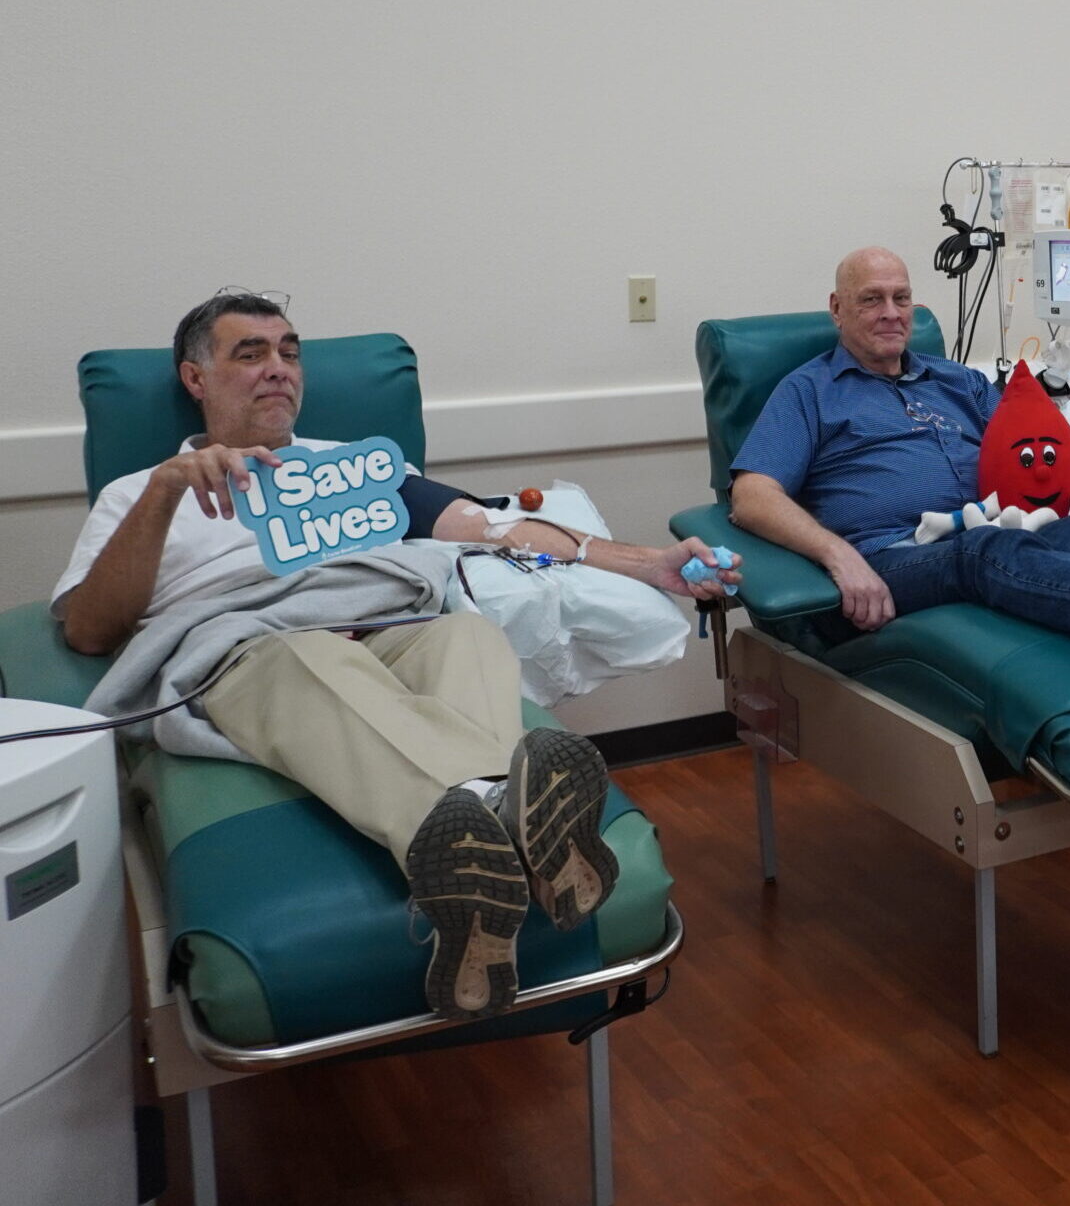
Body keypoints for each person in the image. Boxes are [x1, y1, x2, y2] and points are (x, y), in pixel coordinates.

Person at [54, 289, 741, 1022]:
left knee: (466, 636)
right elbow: (91, 630)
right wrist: (164, 496)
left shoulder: (354, 472)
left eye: (289, 352)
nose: (278, 368)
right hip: (258, 643)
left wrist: (649, 564)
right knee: (310, 664)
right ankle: (498, 826)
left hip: (393, 618)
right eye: (249, 353)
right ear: (196, 380)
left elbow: (496, 528)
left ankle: (479, 861)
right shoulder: (143, 491)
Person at [728, 246, 1070, 719]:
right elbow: (750, 496)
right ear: (837, 309)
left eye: (902, 298)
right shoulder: (810, 391)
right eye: (871, 299)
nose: (891, 312)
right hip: (889, 558)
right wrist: (839, 558)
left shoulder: (957, 382)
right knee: (984, 549)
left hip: (997, 530)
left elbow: (1034, 463)